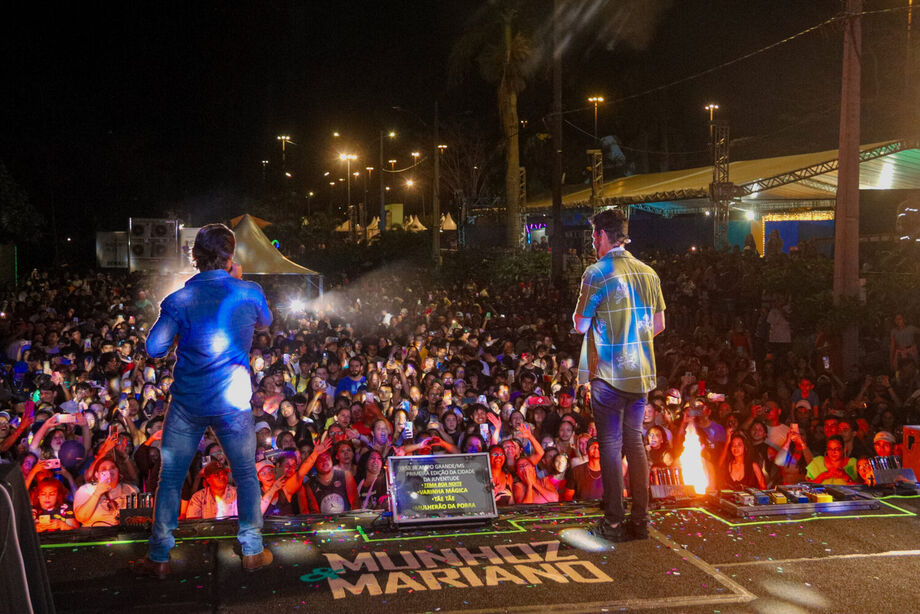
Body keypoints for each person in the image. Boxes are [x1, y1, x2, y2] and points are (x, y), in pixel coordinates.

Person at [134, 224, 274, 579]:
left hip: (188, 404)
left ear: (195, 256)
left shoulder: (179, 300)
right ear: (229, 256)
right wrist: (236, 279)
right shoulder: (249, 292)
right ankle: (252, 550)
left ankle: (159, 555)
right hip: (233, 403)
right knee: (245, 474)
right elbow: (265, 322)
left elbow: (154, 348)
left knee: (170, 478)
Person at [572, 208, 665, 542]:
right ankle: (640, 521)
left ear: (601, 235)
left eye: (593, 236)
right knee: (635, 443)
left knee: (610, 446)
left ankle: (613, 522)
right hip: (640, 373)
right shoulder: (649, 273)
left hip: (609, 374)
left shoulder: (596, 272)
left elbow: (580, 324)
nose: (592, 242)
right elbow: (659, 325)